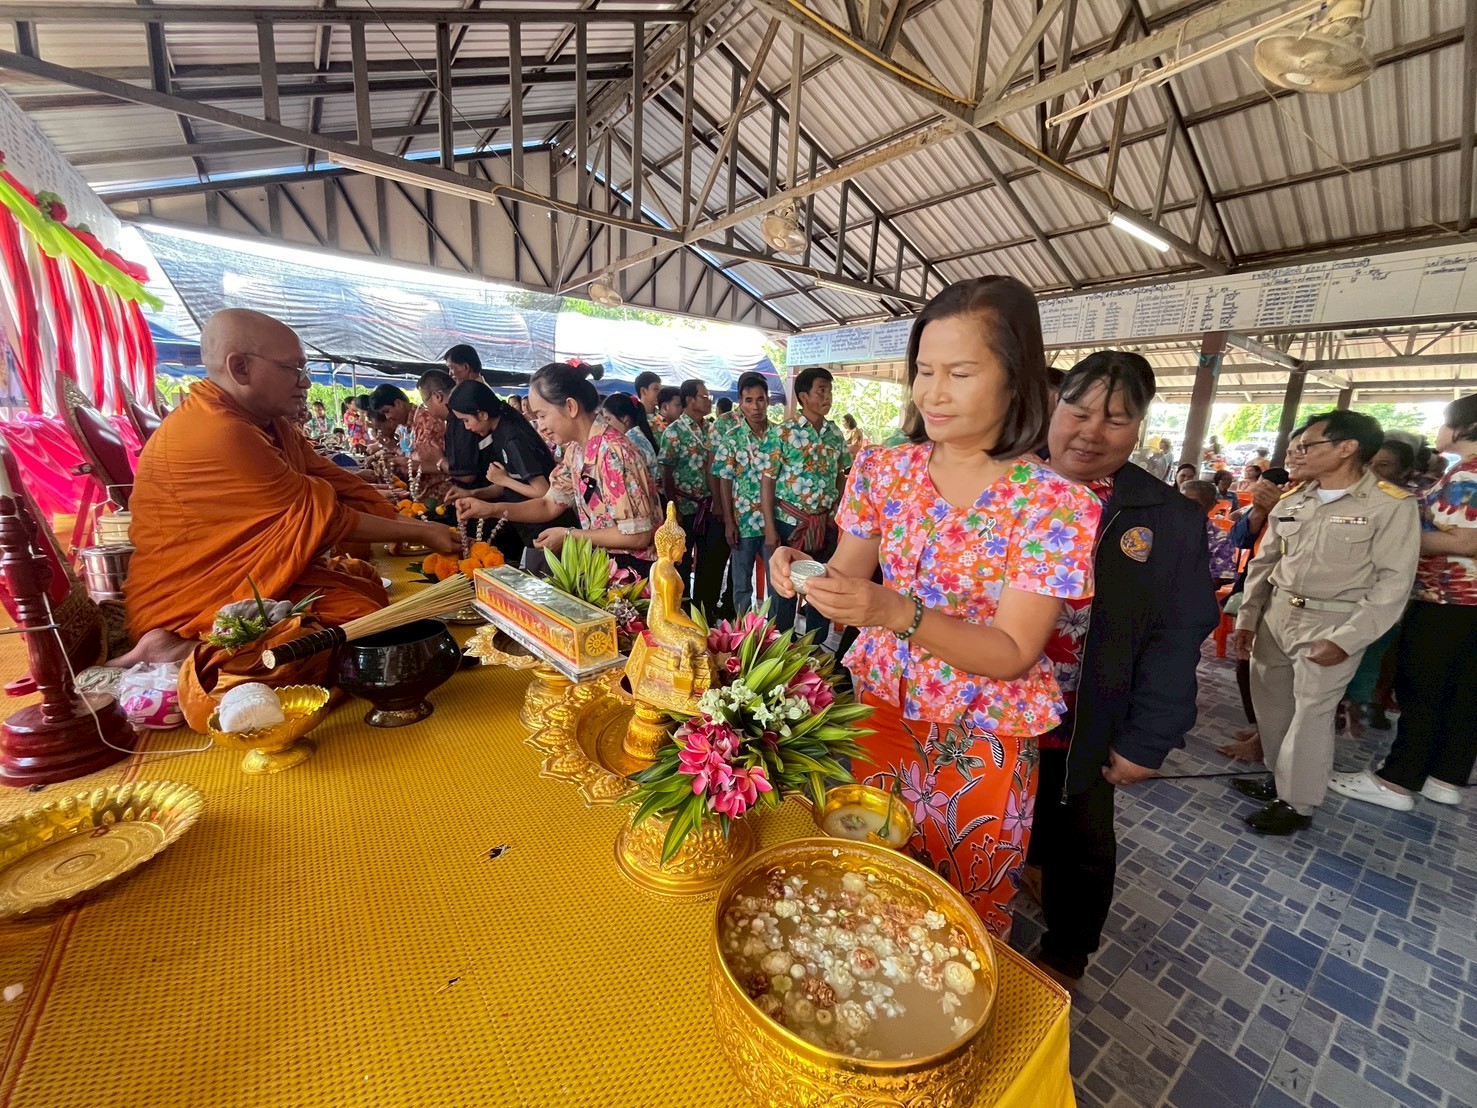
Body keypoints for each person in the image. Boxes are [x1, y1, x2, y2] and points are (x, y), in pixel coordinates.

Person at [769, 275, 1100, 937]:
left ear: (1015, 378)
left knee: (954, 911)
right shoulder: (883, 470)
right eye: (923, 370)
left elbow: (1012, 652)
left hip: (982, 738)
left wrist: (899, 614)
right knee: (868, 880)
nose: (933, 392)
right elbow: (846, 582)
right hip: (882, 710)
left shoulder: (1054, 505)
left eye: (960, 372)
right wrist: (802, 573)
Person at [1027, 350, 1218, 986]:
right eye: (1078, 411)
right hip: (990, 709)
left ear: (1139, 427)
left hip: (1087, 719)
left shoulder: (1167, 517)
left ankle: (1066, 953)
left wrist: (1148, 738)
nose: (1090, 432)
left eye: (1115, 419)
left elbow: (1178, 635)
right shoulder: (1005, 485)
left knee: (1082, 838)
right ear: (1052, 408)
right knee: (998, 813)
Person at [121, 309, 459, 663]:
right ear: (240, 368)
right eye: (294, 369)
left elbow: (335, 482)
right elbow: (323, 517)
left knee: (365, 588)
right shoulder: (221, 431)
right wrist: (422, 532)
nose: (306, 383)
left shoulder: (268, 424)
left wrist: (411, 524)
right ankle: (182, 648)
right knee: (355, 629)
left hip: (246, 577)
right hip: (196, 601)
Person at [1231, 411, 1421, 834]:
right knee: (1273, 706)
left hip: (1333, 622)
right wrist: (1248, 617)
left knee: (1311, 715)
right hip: (1278, 614)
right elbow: (1264, 562)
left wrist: (1349, 638)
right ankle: (1279, 778)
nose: (1295, 453)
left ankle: (1296, 804)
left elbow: (1393, 583)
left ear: (1347, 448)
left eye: (1307, 445)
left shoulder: (1390, 505)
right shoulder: (1295, 499)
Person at [1330, 394, 1477, 811]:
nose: (1439, 430)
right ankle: (1444, 777)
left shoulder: (1467, 474)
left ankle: (1397, 780)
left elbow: (1466, 541)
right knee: (1463, 695)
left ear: (1463, 427)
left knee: (1422, 692)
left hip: (1447, 600)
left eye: (1445, 421)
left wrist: (1397, 535)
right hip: (1463, 606)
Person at [457, 363, 662, 571]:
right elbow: (548, 504)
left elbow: (637, 536)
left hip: (638, 572)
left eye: (542, 415)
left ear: (571, 407)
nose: (540, 426)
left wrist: (568, 535)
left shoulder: (613, 452)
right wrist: (490, 509)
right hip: (606, 567)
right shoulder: (576, 451)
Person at [762, 366, 851, 637]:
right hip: (789, 523)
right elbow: (767, 482)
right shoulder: (783, 433)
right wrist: (770, 529)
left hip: (824, 524)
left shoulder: (835, 434)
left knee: (821, 586)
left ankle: (814, 649)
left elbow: (841, 474)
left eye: (830, 391)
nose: (828, 396)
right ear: (803, 396)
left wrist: (836, 510)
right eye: (821, 390)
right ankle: (779, 646)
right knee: (785, 589)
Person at [1219, 463, 1293, 762]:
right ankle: (1261, 730)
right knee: (1247, 663)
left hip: (1284, 595)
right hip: (1253, 588)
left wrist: (1277, 510)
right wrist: (1260, 512)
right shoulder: (1262, 507)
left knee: (1270, 674)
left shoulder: (1297, 506)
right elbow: (1239, 539)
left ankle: (1267, 740)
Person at [445, 379, 563, 566]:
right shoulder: (500, 431)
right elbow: (510, 483)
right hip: (530, 528)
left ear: (482, 414)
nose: (466, 427)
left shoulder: (512, 438)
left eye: (466, 420)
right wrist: (472, 493)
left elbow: (543, 492)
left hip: (547, 530)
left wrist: (504, 480)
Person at [659, 378, 727, 615]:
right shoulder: (673, 432)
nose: (709, 402)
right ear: (690, 400)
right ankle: (681, 613)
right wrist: (673, 511)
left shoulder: (712, 429)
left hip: (711, 507)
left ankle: (705, 613)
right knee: (681, 563)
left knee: (711, 562)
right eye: (705, 397)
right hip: (684, 508)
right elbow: (666, 472)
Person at [714, 371, 776, 616]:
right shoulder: (732, 438)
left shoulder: (780, 435)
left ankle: (776, 631)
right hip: (744, 522)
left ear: (768, 400)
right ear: (740, 403)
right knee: (741, 584)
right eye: (749, 400)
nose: (755, 407)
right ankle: (743, 631)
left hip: (774, 522)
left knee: (777, 583)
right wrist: (729, 522)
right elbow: (725, 480)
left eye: (760, 399)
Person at [441, 347, 485, 489]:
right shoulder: (476, 391)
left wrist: (440, 462)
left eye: (451, 367)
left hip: (479, 480)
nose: (450, 373)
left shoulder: (475, 397)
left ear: (465, 367)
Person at [1181, 479, 1238, 583]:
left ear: (1212, 505)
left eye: (1194, 503)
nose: (1185, 507)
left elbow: (1220, 578)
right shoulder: (1163, 529)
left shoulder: (1220, 540)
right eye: (1181, 501)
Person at [600, 392, 661, 478]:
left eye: (608, 419)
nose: (605, 424)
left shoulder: (630, 442)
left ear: (624, 418)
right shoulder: (635, 437)